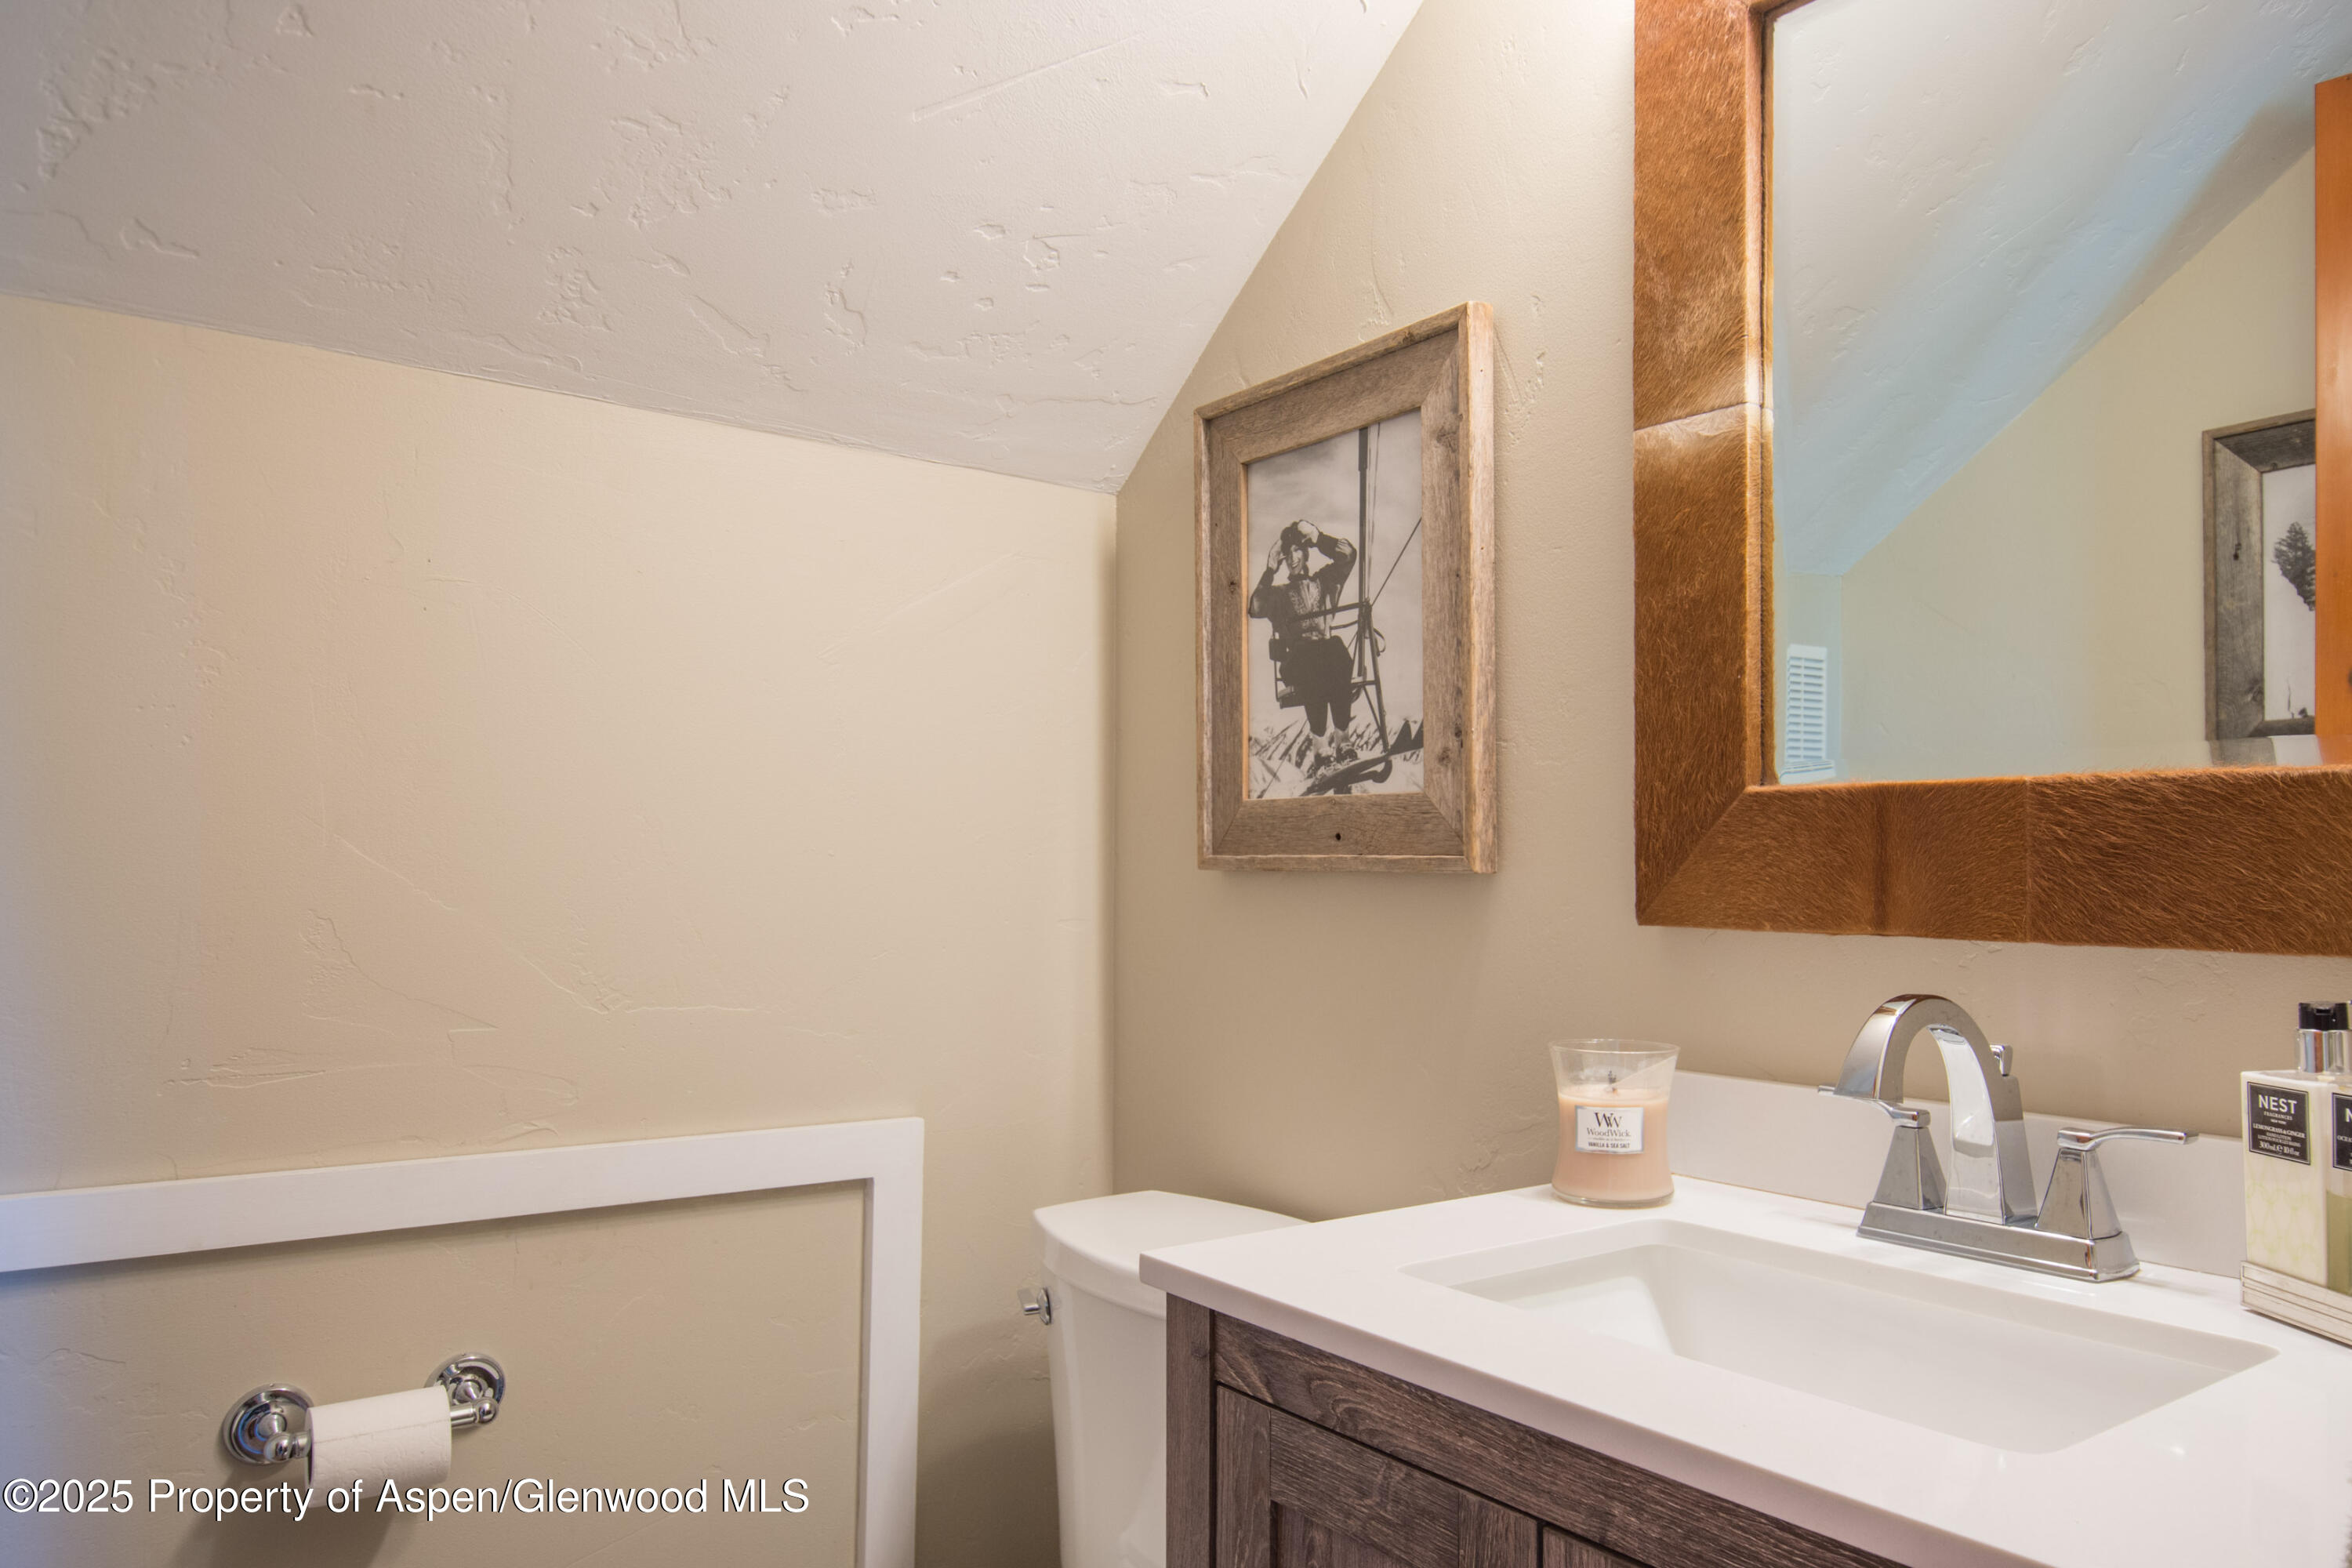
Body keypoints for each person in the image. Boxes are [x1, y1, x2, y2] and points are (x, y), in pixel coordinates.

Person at [1248, 521, 1359, 771]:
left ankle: (1343, 740)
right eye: (1288, 554)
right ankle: (1321, 747)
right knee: (1313, 657)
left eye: (1298, 550)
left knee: (1336, 650)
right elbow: (1255, 608)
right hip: (1296, 660)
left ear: (1306, 553)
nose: (1293, 557)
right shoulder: (1278, 594)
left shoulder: (1324, 581)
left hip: (1327, 656)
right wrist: (1269, 570)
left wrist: (1319, 538)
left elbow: (1348, 556)